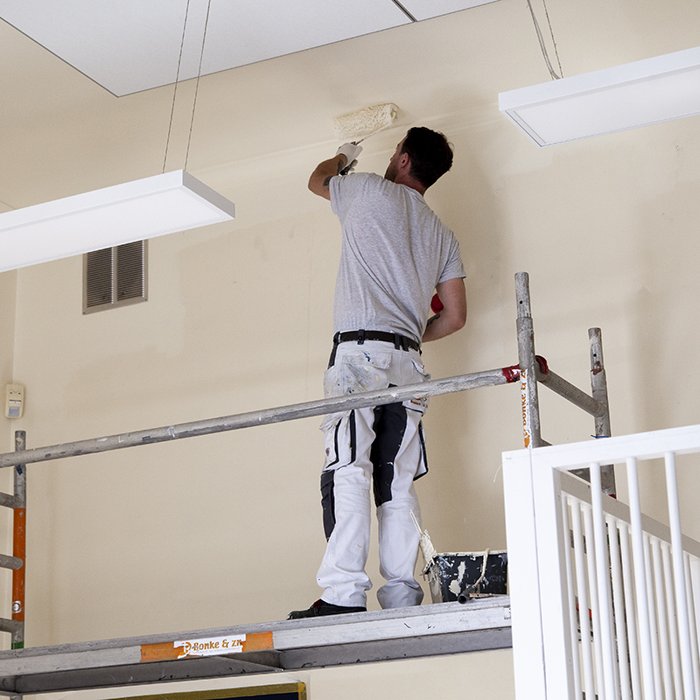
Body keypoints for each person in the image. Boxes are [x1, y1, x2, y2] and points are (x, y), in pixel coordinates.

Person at [288, 127, 467, 619]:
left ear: (404, 159)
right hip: (409, 365)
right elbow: (454, 317)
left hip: (358, 357)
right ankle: (402, 597)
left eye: (395, 151)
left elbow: (317, 180)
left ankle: (343, 595)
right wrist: (405, 332)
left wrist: (344, 154)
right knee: (397, 480)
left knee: (349, 467)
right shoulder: (441, 234)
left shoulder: (366, 190)